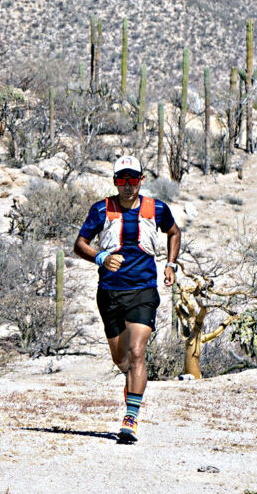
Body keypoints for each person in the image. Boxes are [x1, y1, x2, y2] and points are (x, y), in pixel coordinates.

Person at [73, 155, 181, 443]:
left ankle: (130, 418)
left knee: (137, 353)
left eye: (133, 179)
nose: (128, 185)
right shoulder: (101, 210)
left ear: (141, 181)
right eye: (122, 179)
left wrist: (171, 264)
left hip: (143, 290)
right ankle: (132, 383)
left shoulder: (156, 208)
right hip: (109, 292)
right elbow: (79, 244)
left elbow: (173, 232)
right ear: (115, 182)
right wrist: (101, 257)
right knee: (121, 360)